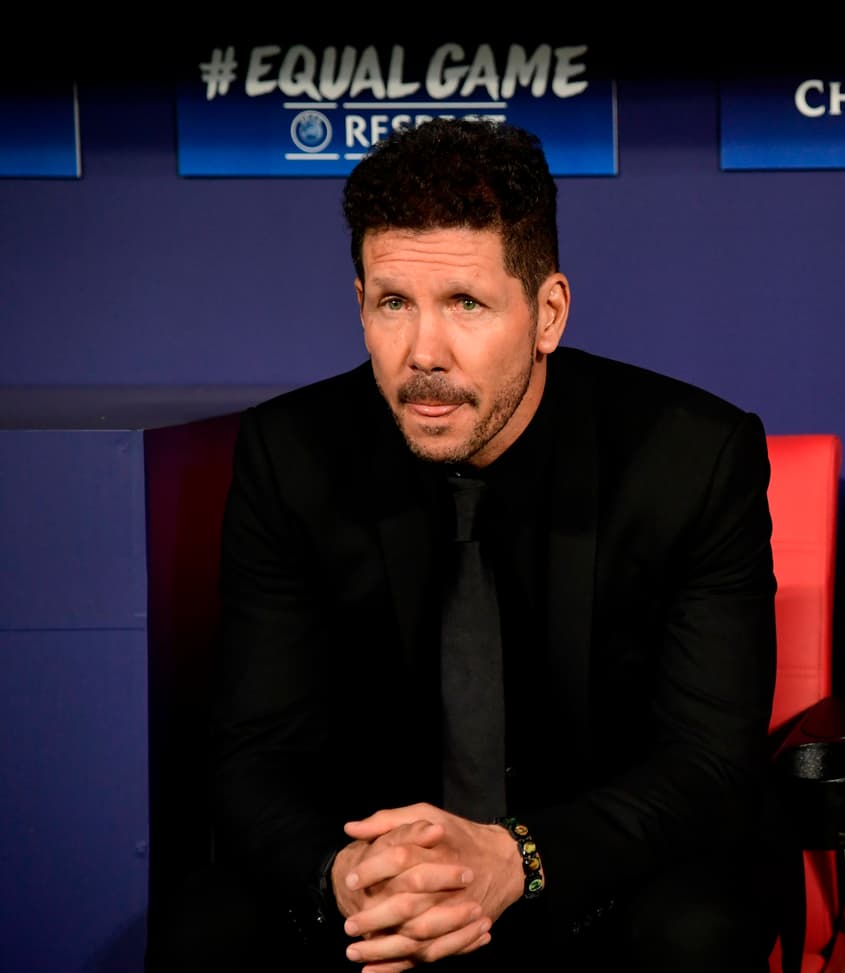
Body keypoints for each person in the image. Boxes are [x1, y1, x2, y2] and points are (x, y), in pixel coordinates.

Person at [147, 117, 789, 972]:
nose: (423, 353)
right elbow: (253, 752)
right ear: (360, 304)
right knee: (207, 927)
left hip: (595, 879)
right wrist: (345, 873)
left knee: (699, 933)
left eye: (466, 304)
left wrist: (515, 859)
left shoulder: (691, 458)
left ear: (547, 311)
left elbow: (711, 764)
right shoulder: (290, 453)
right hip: (377, 893)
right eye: (392, 303)